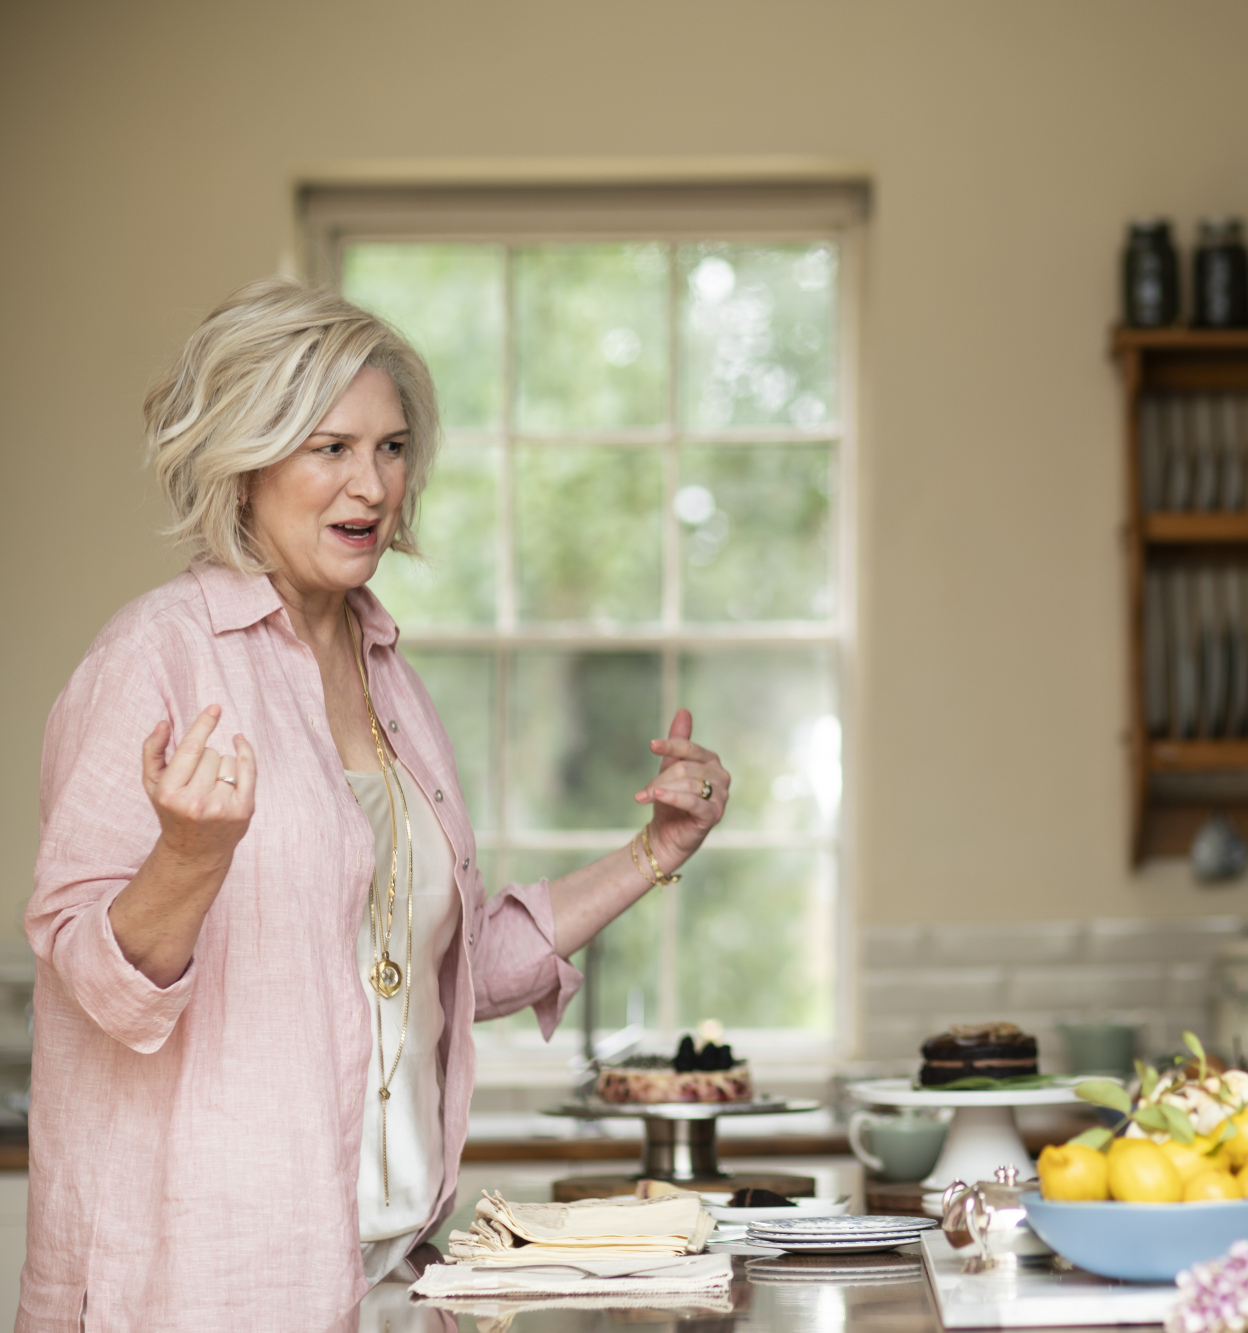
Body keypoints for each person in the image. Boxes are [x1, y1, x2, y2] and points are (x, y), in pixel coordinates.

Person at [20, 278, 733, 1329]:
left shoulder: (389, 673)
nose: (372, 485)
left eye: (391, 448)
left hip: (395, 1270)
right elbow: (94, 984)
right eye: (330, 447)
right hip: (207, 1282)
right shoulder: (155, 657)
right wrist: (188, 856)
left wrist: (655, 847)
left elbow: (434, 963)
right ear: (245, 459)